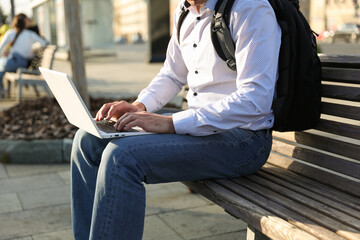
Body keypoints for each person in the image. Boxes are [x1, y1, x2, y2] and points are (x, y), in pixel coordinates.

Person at [71, 0, 281, 239]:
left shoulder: (249, 8)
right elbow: (172, 74)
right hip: (197, 125)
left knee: (122, 157)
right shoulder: (185, 12)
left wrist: (172, 123)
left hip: (244, 140)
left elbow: (256, 99)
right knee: (86, 140)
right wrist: (139, 106)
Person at [0, 13, 46, 95]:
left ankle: (2, 91)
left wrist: (3, 54)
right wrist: (32, 49)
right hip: (22, 63)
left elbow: (1, 47)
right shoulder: (30, 34)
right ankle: (2, 91)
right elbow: (43, 43)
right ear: (24, 23)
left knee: (2, 68)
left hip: (14, 62)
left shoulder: (10, 33)